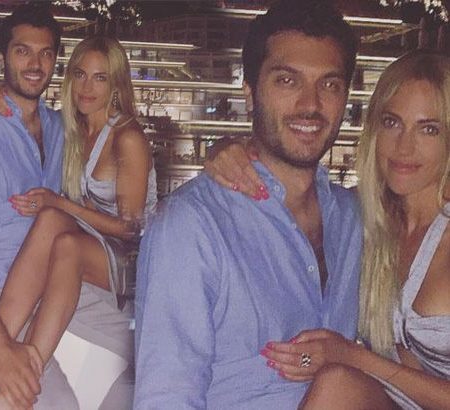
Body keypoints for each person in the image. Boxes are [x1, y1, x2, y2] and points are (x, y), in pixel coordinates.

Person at [133, 0, 362, 408]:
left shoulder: (357, 220)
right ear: (250, 94)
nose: (310, 104)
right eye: (287, 81)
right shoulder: (192, 225)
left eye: (329, 85)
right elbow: (166, 396)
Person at [207, 50, 450, 408]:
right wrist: (226, 151)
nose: (404, 146)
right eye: (392, 122)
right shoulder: (358, 219)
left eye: (429, 129)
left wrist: (352, 356)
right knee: (337, 385)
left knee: (338, 381)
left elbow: (351, 362)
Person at [0, 5, 155, 410]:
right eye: (22, 51)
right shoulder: (1, 127)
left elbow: (130, 225)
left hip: (88, 271)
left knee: (55, 219)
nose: (35, 64)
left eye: (45, 54)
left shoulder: (63, 130)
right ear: (2, 56)